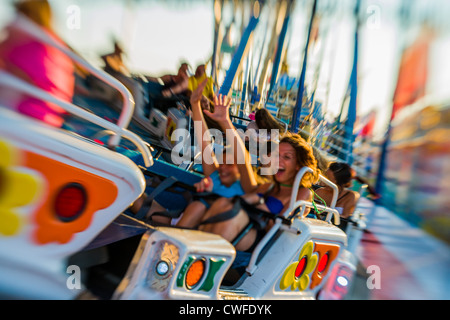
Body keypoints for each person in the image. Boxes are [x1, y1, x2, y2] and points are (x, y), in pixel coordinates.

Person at [197, 132, 320, 252]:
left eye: (286, 157)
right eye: (276, 155)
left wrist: (261, 206)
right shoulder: (268, 187)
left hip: (263, 239)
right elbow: (239, 201)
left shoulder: (302, 193)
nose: (277, 161)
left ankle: (207, 255)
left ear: (298, 165)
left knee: (235, 217)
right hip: (245, 225)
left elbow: (277, 231)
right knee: (221, 203)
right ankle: (198, 250)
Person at [175, 80, 257, 228]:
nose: (223, 168)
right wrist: (195, 105)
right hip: (181, 220)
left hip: (202, 230)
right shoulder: (215, 176)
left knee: (198, 207)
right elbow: (205, 143)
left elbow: (242, 157)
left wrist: (225, 121)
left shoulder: (246, 188)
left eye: (230, 164)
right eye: (222, 163)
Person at [0, 0, 74, 128]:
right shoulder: (54, 44)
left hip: (27, 117)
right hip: (49, 119)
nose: (15, 18)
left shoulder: (28, 42)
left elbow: (18, 76)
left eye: (19, 13)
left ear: (28, 15)